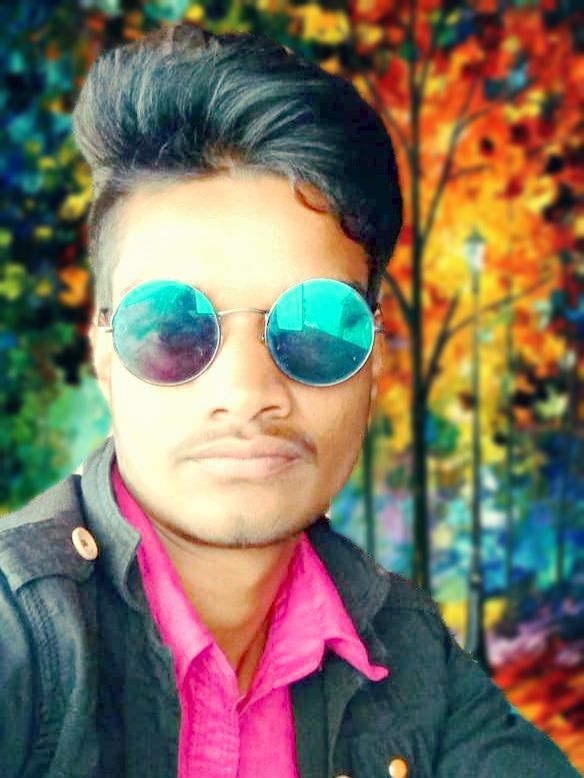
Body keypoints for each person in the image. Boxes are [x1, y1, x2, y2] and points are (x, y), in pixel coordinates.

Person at [0, 22, 579, 778]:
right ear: (105, 354)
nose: (248, 393)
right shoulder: (20, 640)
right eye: (172, 326)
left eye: (316, 328)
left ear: (374, 362)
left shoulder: (408, 652)